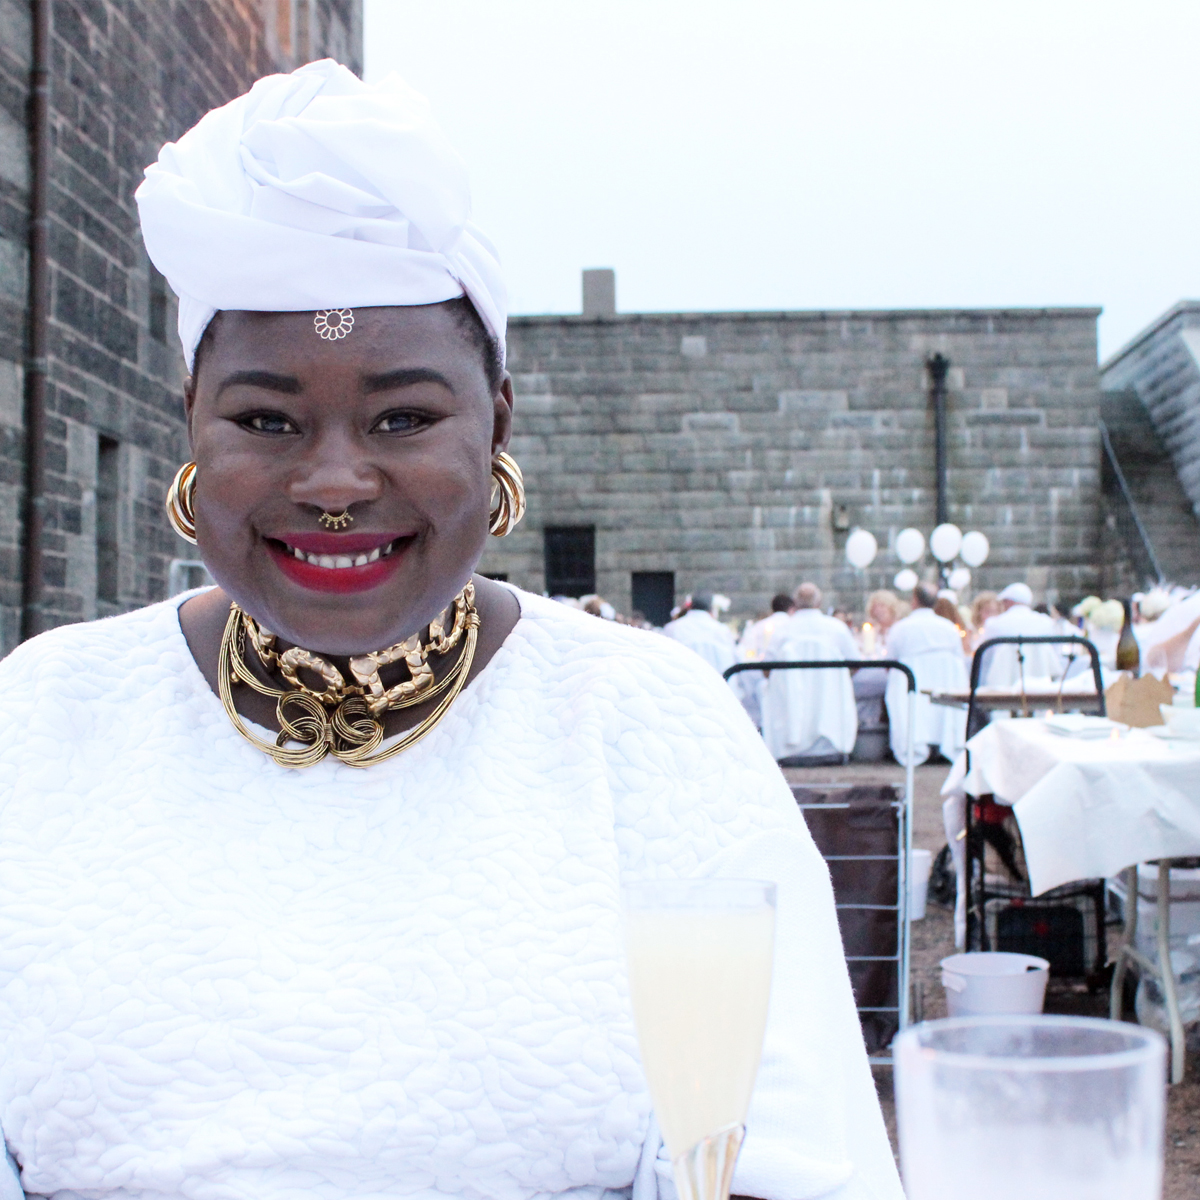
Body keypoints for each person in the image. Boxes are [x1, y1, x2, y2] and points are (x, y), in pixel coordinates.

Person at [0, 63, 900, 1200]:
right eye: (266, 418)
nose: (334, 480)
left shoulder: (644, 727)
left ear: (497, 425)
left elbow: (784, 1155)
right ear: (192, 423)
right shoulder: (38, 719)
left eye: (405, 417)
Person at [761, 583, 860, 761]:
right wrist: (836, 678)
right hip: (830, 712)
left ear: (795, 603)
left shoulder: (783, 630)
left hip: (789, 718)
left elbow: (766, 670)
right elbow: (856, 663)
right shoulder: (836, 628)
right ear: (819, 602)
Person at [884, 583, 969, 764]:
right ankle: (949, 743)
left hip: (911, 680)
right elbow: (959, 658)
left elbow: (890, 659)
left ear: (914, 601)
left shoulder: (902, 627)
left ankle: (914, 747)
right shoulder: (948, 627)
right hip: (945, 678)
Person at [977, 582, 1061, 687]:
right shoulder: (1046, 623)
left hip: (1002, 685)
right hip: (1041, 684)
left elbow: (983, 657)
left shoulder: (994, 624)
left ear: (1008, 602)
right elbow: (1056, 654)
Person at [733, 593, 795, 728]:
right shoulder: (794, 626)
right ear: (792, 609)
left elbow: (744, 655)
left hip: (758, 683)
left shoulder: (757, 627)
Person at [661, 592, 739, 675]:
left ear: (690, 606)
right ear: (711, 609)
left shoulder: (672, 628)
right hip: (716, 683)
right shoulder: (722, 631)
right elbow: (734, 660)